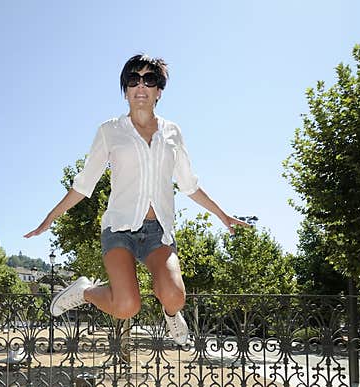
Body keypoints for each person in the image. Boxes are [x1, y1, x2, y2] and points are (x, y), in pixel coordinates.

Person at [24, 53, 250, 346]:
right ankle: (85, 291)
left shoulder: (173, 133)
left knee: (175, 296)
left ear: (159, 91)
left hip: (159, 234)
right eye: (133, 80)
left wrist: (223, 215)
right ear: (126, 89)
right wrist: (49, 219)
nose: (140, 85)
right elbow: (84, 185)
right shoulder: (110, 131)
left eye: (149, 79)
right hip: (120, 230)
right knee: (127, 307)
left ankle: (171, 314)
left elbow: (189, 185)